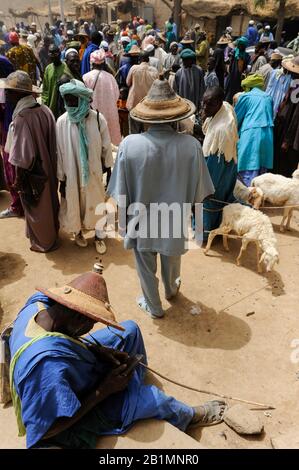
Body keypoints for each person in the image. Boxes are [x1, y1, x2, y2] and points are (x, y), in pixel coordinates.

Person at [9, 271, 226, 449]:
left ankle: (130, 388)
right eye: (91, 324)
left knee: (130, 330)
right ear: (76, 319)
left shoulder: (39, 305)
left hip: (64, 368)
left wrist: (97, 350)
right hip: (72, 408)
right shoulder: (48, 367)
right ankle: (188, 416)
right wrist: (103, 390)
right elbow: (46, 430)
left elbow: (64, 339)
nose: (92, 328)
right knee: (156, 399)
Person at [108, 76, 214, 319]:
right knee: (172, 258)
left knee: (145, 265)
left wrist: (124, 225)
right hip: (174, 218)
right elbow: (200, 193)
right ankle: (171, 290)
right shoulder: (191, 146)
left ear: (146, 116)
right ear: (176, 116)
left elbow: (120, 191)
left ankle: (153, 306)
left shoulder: (129, 145)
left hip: (140, 219)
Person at [1, 71, 59, 251]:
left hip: (34, 173)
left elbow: (23, 158)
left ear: (19, 93)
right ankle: (51, 235)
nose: (7, 95)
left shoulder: (22, 118)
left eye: (10, 91)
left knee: (37, 208)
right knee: (50, 202)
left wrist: (18, 179)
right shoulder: (44, 110)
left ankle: (43, 243)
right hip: (48, 167)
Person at [56, 80, 113, 254]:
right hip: (72, 172)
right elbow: (59, 151)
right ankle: (79, 232)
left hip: (94, 171)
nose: (69, 104)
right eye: (67, 100)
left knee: (95, 202)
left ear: (82, 99)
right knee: (75, 202)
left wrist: (108, 169)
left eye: (73, 100)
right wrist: (62, 178)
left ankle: (98, 236)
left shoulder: (97, 118)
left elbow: (106, 146)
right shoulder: (62, 122)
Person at [201, 87, 238, 239]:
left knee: (208, 198)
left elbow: (214, 167)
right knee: (221, 198)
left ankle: (203, 234)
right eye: (203, 103)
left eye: (209, 104)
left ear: (218, 104)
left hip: (218, 165)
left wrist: (204, 186)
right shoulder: (226, 110)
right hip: (227, 162)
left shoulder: (220, 132)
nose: (204, 108)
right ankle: (217, 229)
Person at [235, 73, 274, 186]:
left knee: (248, 169)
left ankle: (247, 200)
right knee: (261, 171)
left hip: (251, 135)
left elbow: (236, 120)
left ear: (248, 87)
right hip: (267, 135)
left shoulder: (246, 97)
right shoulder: (268, 97)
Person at [0, 54, 24, 218]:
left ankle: (17, 205)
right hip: (10, 126)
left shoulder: (7, 94)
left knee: (12, 168)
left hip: (10, 128)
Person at [83, 49, 121, 146]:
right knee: (110, 146)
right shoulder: (111, 77)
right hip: (110, 115)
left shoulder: (86, 77)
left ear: (91, 63)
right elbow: (116, 96)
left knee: (95, 145)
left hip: (94, 116)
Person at [273, 56, 299, 176]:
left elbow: (295, 118)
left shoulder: (297, 88)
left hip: (290, 135)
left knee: (284, 166)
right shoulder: (294, 84)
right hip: (284, 128)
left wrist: (287, 140)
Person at [126, 51, 158, 134]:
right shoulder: (154, 71)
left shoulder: (134, 68)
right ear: (148, 60)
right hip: (149, 107)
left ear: (139, 59)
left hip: (134, 105)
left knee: (134, 132)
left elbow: (127, 82)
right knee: (148, 133)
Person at [41, 44, 68, 119]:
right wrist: (45, 102)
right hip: (51, 104)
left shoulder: (66, 67)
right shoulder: (48, 69)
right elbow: (45, 88)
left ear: (59, 53)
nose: (53, 55)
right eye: (50, 53)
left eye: (55, 53)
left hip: (63, 105)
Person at [225, 36, 250, 104]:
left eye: (243, 45)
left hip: (239, 79)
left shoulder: (246, 56)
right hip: (232, 76)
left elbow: (245, 68)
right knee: (229, 93)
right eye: (240, 45)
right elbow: (228, 64)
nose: (241, 47)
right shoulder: (233, 53)